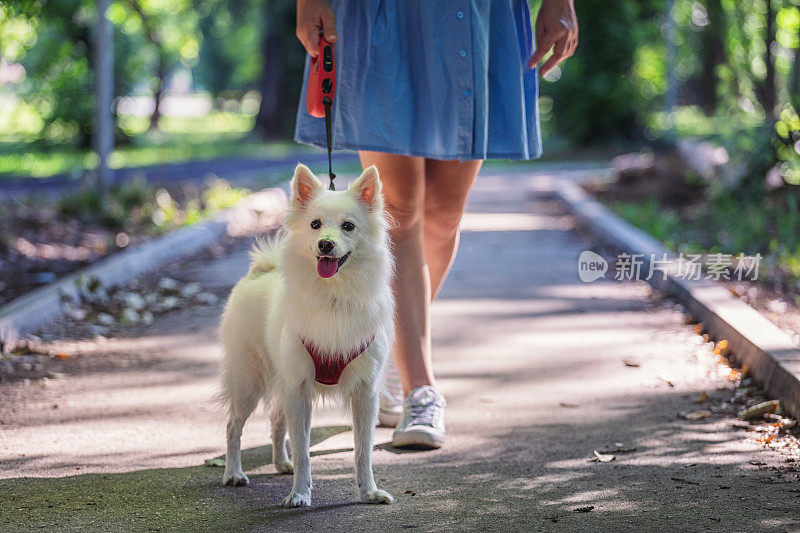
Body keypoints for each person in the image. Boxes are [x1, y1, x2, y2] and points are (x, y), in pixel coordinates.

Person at [293, 0, 578, 449]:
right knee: (399, 214)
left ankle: (383, 356)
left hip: (478, 14)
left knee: (445, 215)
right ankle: (419, 390)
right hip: (384, 14)